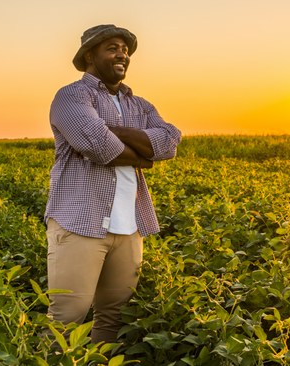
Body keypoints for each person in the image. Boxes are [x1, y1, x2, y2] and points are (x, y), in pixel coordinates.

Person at [44, 24, 181, 344]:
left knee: (114, 316)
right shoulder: (72, 95)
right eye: (112, 48)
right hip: (80, 221)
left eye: (125, 50)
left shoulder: (140, 105)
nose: (122, 54)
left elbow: (170, 142)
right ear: (90, 56)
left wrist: (114, 134)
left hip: (129, 225)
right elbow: (96, 144)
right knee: (68, 314)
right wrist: (142, 154)